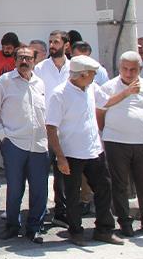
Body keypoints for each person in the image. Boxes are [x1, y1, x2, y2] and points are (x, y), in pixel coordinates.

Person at [45, 55, 124, 246]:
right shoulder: (59, 94)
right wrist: (60, 158)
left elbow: (106, 101)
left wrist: (127, 92)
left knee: (104, 188)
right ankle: (75, 231)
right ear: (82, 75)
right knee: (72, 194)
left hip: (94, 150)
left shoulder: (91, 87)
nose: (95, 77)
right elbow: (51, 128)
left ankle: (104, 230)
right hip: (71, 153)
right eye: (93, 74)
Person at [0, 45, 48, 243]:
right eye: (20, 57)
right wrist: (4, 136)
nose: (24, 61)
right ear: (15, 60)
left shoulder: (40, 83)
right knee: (15, 188)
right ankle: (12, 225)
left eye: (28, 58)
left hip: (39, 144)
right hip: (14, 144)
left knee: (39, 189)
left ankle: (35, 227)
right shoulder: (4, 82)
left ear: (34, 61)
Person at [96, 51, 143, 237]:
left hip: (142, 142)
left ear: (140, 69)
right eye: (125, 68)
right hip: (115, 142)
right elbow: (99, 114)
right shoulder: (109, 87)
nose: (128, 73)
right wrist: (108, 132)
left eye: (133, 69)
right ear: (119, 68)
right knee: (119, 184)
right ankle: (125, 222)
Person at [34, 30, 71, 229]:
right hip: (45, 129)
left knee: (64, 174)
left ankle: (62, 211)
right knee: (40, 173)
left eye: (56, 42)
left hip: (68, 130)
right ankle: (38, 215)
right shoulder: (40, 69)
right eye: (50, 42)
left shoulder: (74, 69)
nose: (52, 45)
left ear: (66, 45)